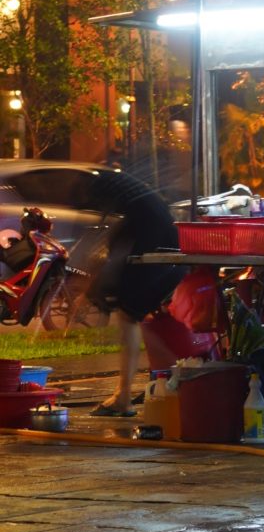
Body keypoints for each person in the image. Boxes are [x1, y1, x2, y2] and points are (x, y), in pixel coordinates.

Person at [86, 169, 187, 417]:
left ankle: (128, 396)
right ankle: (176, 384)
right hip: (170, 259)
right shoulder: (139, 205)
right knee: (135, 319)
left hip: (160, 259)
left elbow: (115, 253)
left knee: (131, 318)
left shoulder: (139, 216)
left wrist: (101, 287)